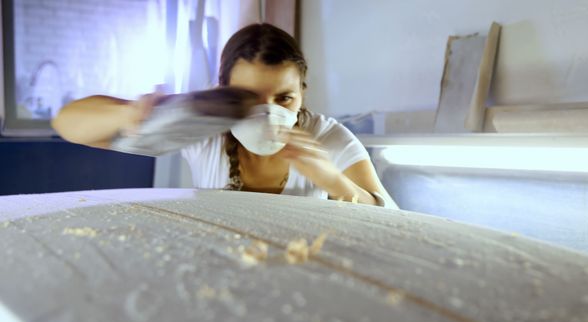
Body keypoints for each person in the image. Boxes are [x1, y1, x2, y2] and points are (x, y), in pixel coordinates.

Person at [53, 23, 398, 209]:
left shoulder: (325, 138)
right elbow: (69, 124)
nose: (268, 113)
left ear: (303, 93)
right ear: (223, 89)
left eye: (284, 99)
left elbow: (391, 221)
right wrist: (131, 113)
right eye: (249, 98)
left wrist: (332, 180)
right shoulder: (206, 129)